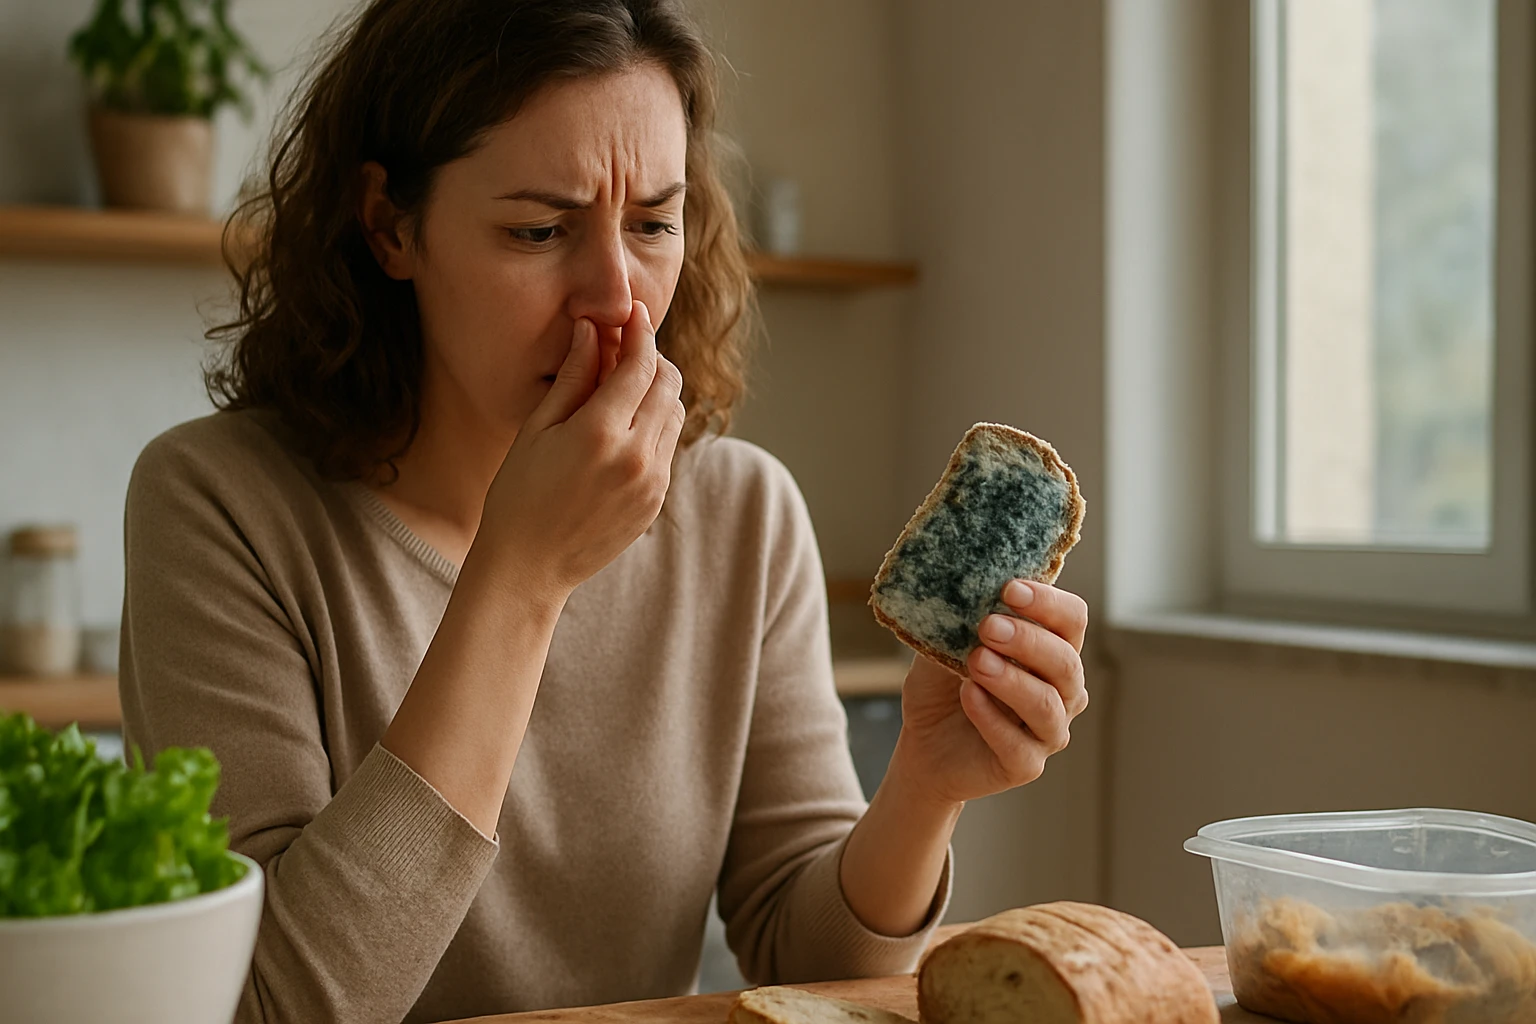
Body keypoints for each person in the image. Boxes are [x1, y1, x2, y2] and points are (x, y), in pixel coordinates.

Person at [119, 1, 1090, 1021]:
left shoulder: (741, 513)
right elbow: (273, 1006)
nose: (619, 302)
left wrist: (924, 788)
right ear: (389, 225)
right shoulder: (217, 505)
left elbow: (805, 952)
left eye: (654, 223)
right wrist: (522, 576)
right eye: (538, 229)